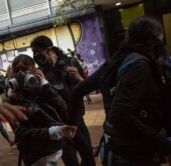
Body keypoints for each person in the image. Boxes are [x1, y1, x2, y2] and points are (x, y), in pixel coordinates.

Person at [70, 16, 171, 165]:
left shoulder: (115, 62)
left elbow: (77, 91)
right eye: (161, 37)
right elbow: (120, 113)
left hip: (115, 148)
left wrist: (71, 124)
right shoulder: (141, 66)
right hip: (136, 154)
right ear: (152, 39)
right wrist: (164, 144)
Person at [31, 36, 95, 166]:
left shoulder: (70, 62)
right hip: (59, 123)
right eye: (33, 52)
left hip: (76, 118)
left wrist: (78, 77)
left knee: (88, 156)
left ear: (48, 50)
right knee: (70, 161)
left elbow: (87, 88)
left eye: (37, 51)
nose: (35, 55)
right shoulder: (40, 72)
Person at [8, 54, 77, 166]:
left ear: (35, 71)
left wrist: (45, 84)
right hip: (34, 156)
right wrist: (54, 132)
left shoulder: (43, 90)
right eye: (17, 70)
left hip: (53, 150)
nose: (21, 73)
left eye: (25, 69)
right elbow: (20, 133)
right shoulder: (12, 100)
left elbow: (63, 109)